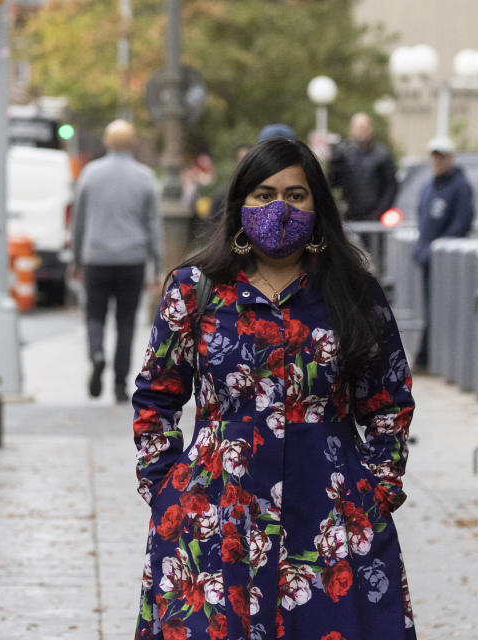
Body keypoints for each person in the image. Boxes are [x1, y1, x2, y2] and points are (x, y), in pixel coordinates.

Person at [133, 137, 416, 640]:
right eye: (263, 194)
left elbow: (388, 401)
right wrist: (165, 488)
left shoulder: (353, 292)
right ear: (240, 204)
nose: (279, 207)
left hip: (332, 518)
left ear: (317, 205)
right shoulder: (194, 288)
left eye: (295, 194)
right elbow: (157, 396)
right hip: (213, 515)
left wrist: (378, 489)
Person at [70, 119, 162, 403]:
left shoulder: (90, 174)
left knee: (94, 316)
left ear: (107, 142)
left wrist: (75, 259)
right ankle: (120, 385)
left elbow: (78, 221)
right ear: (133, 144)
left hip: (96, 257)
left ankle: (97, 354)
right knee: (125, 323)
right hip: (131, 259)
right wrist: (157, 266)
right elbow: (153, 226)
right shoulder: (145, 176)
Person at [412, 135, 475, 372]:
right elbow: (423, 220)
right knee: (429, 310)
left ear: (451, 157)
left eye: (442, 156)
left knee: (443, 311)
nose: (437, 161)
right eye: (434, 155)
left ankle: (431, 359)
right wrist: (422, 249)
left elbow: (461, 223)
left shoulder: (460, 186)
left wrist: (436, 249)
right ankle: (428, 357)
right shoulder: (430, 186)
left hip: (446, 263)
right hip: (428, 260)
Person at [328, 112, 398, 222]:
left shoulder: (383, 154)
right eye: (359, 127)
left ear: (371, 129)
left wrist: (380, 212)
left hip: (375, 217)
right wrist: (334, 163)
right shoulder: (344, 154)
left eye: (365, 127)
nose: (363, 130)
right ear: (351, 130)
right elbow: (333, 183)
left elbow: (391, 186)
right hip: (351, 216)